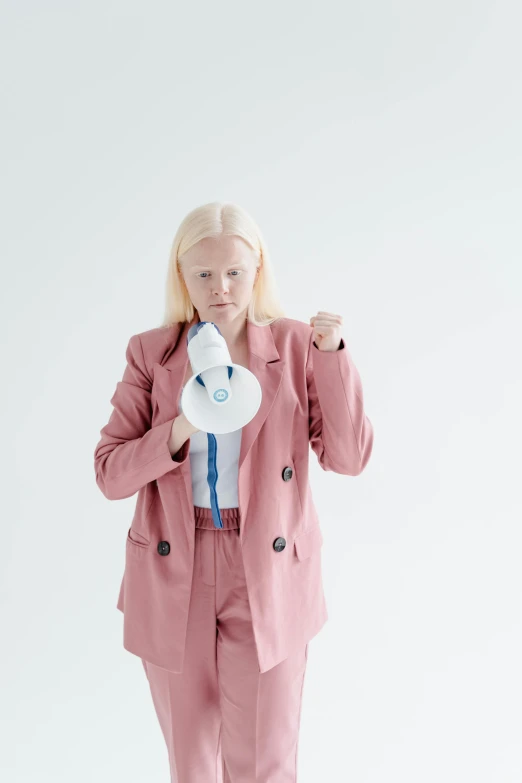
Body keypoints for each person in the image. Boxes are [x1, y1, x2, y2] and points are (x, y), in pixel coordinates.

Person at [94, 201, 374, 782]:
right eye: (203, 274)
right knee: (192, 762)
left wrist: (333, 360)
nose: (220, 288)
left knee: (264, 762)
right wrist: (175, 430)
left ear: (258, 270)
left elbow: (347, 459)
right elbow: (110, 474)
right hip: (176, 567)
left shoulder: (298, 346)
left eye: (234, 273)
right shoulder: (151, 353)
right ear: (181, 276)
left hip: (267, 569)